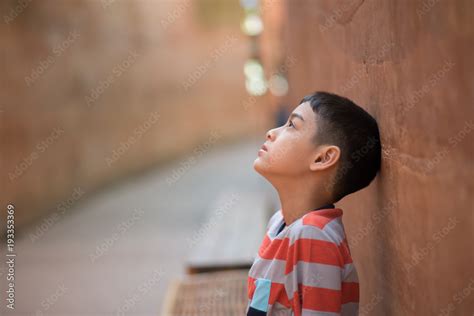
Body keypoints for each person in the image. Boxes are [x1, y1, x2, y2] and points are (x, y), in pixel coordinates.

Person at [247, 91, 381, 315]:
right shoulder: (279, 222)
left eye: (291, 125)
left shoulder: (313, 235)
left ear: (323, 158)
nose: (271, 133)